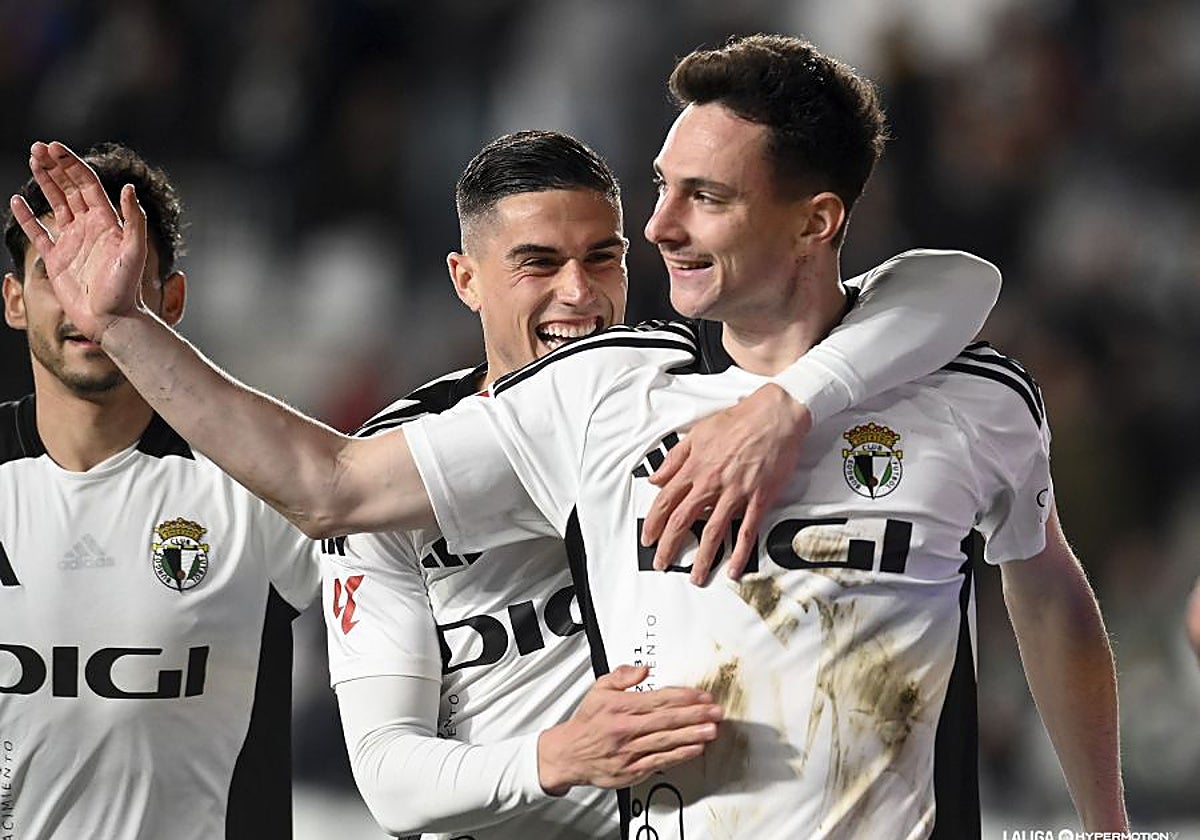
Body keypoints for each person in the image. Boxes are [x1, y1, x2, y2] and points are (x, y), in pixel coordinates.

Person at [12, 34, 1127, 838]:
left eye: (704, 198)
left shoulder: (972, 397)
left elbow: (1048, 591)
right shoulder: (600, 394)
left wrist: (1108, 827)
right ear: (465, 278)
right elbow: (329, 486)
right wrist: (129, 327)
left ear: (816, 221)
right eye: (661, 191)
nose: (659, 229)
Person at [323, 130, 1000, 838]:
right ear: (467, 280)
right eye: (539, 264)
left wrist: (789, 402)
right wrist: (559, 756)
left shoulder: (685, 384)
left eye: (602, 257)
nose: (578, 292)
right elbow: (388, 776)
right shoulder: (398, 465)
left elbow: (955, 284)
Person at [0, 145, 320, 840]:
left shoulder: (252, 485)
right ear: (15, 300)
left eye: (115, 271)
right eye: (58, 272)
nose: (89, 301)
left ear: (170, 301)